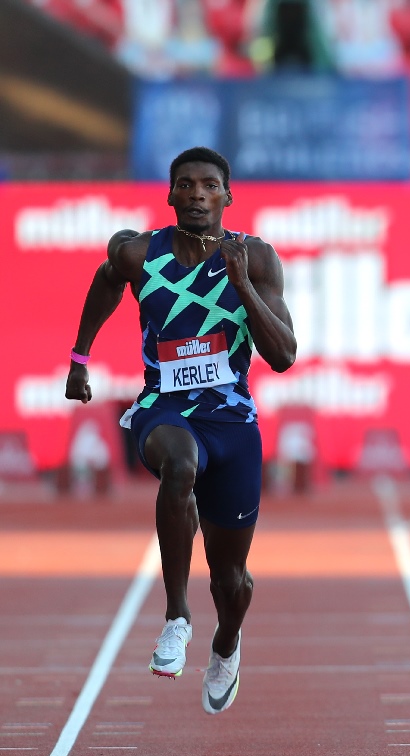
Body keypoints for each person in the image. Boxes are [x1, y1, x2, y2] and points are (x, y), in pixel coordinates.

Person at [65, 146, 297, 715]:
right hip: (164, 408)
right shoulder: (138, 252)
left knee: (233, 581)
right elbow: (104, 283)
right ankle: (176, 616)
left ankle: (225, 641)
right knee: (179, 466)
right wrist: (79, 357)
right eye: (186, 184)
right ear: (170, 195)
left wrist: (241, 285)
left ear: (227, 196)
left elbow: (284, 355)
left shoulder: (257, 258)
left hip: (233, 423)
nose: (197, 193)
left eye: (209, 185)